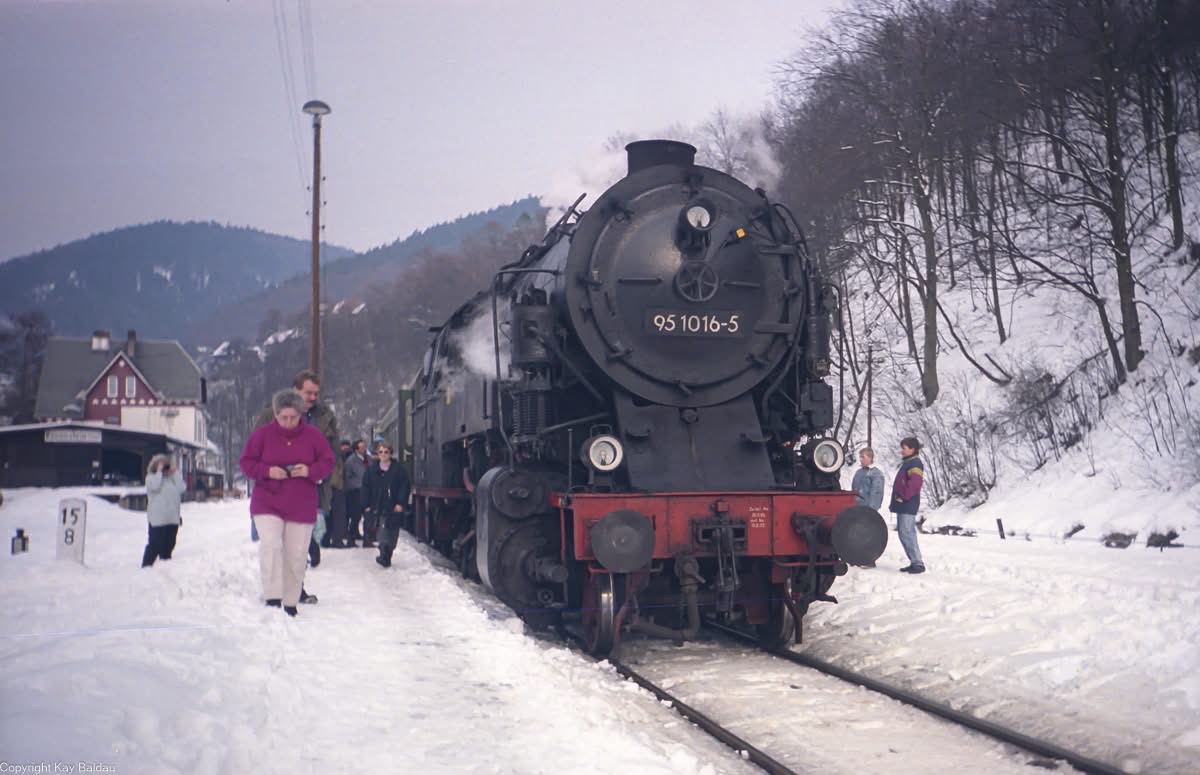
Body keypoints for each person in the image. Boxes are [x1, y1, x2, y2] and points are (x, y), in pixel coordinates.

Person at [240, 389, 336, 616]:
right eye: (284, 417)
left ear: (301, 414)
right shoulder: (262, 435)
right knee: (271, 546)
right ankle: (272, 597)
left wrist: (310, 471)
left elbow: (328, 462)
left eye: (293, 417)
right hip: (267, 501)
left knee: (297, 554)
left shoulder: (313, 436)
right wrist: (267, 471)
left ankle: (291, 601)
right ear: (275, 414)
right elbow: (246, 463)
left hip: (301, 503)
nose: (289, 422)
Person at [255, 370, 343, 588]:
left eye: (316, 393)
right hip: (276, 491)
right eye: (308, 392)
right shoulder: (269, 415)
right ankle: (279, 589)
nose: (313, 397)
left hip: (310, 489)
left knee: (298, 547)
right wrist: (270, 472)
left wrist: (316, 473)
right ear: (295, 390)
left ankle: (295, 587)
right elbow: (255, 453)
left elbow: (332, 456)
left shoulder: (325, 417)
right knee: (278, 544)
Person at [363, 442, 410, 568]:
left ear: (390, 453)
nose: (383, 454)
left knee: (393, 532)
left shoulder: (399, 470)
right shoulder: (371, 470)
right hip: (378, 506)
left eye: (386, 452)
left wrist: (400, 502)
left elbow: (404, 487)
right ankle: (384, 553)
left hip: (393, 505)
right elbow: (366, 487)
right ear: (377, 454)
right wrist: (366, 504)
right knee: (382, 531)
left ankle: (387, 553)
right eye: (381, 452)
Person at [889, 436, 926, 574]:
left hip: (907, 504)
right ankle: (915, 562)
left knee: (907, 533)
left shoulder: (915, 464)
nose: (902, 451)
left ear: (912, 449)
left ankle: (918, 563)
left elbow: (915, 484)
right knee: (906, 532)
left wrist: (904, 497)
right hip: (905, 504)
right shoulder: (908, 463)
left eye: (904, 448)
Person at [142, 454, 184, 567]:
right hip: (158, 520)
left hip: (172, 518)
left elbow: (181, 488)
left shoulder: (172, 479)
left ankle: (165, 567)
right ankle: (146, 566)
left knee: (169, 545)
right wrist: (159, 472)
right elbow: (154, 487)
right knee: (155, 545)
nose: (165, 468)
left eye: (166, 465)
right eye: (162, 465)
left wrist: (175, 473)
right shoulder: (151, 478)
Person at [850, 447, 885, 567]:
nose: (861, 459)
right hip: (857, 507)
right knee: (856, 533)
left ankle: (869, 559)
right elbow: (854, 490)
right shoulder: (858, 473)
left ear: (870, 458)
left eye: (863, 457)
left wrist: (872, 510)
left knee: (868, 534)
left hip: (868, 508)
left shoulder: (876, 474)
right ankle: (856, 557)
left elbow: (877, 492)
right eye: (860, 457)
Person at [343, 439, 369, 547]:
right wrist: (356, 485)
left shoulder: (367, 459)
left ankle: (365, 538)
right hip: (355, 492)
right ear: (357, 450)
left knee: (366, 516)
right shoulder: (351, 461)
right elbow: (347, 477)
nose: (364, 449)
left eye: (365, 447)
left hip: (366, 491)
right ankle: (351, 539)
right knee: (356, 515)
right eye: (362, 447)